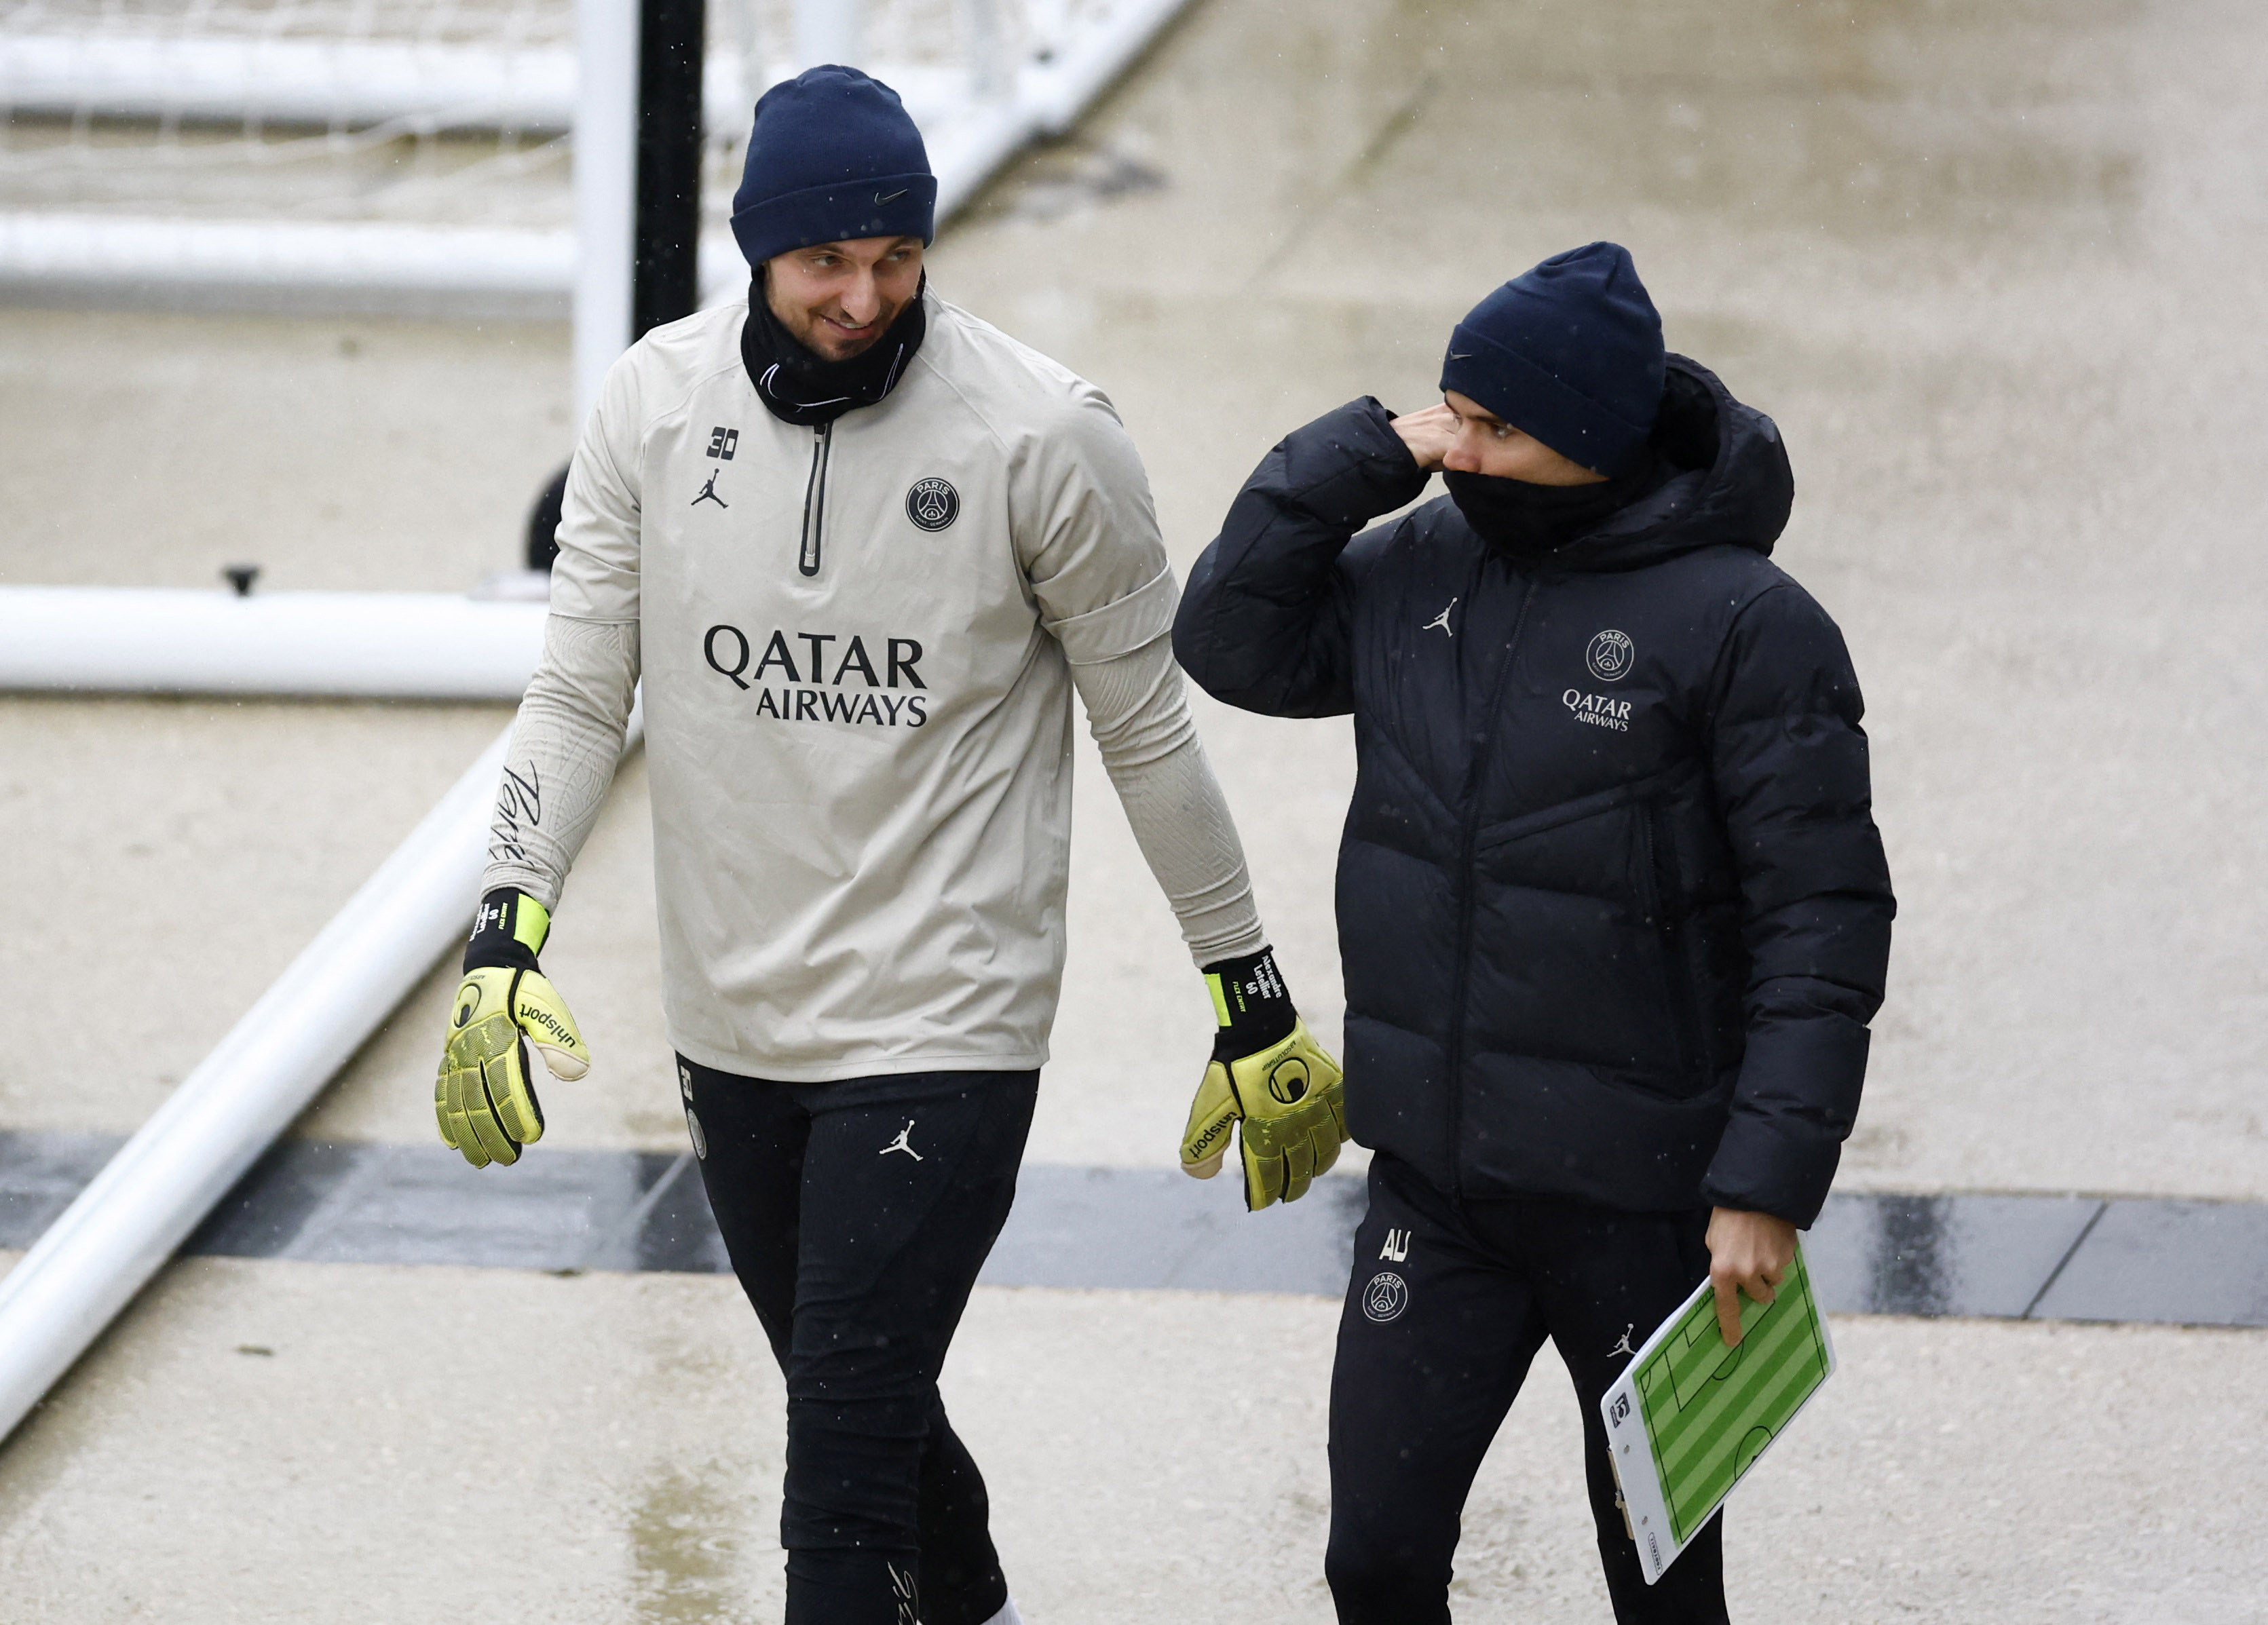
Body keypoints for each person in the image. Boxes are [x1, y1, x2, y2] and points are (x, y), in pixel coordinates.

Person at [430, 66, 1346, 1625]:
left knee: (832, 1486)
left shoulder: (1044, 435)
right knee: (859, 1390)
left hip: (947, 1010)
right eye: (826, 266)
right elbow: (581, 694)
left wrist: (1245, 991)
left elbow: (1148, 730)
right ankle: (968, 1578)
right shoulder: (653, 407)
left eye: (899, 258)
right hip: (732, 1011)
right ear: (755, 254)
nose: (866, 298)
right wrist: (503, 930)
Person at [1173, 242, 1895, 1624]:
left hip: (1647, 1205)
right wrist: (1360, 454)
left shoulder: (1747, 625)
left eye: (1495, 428)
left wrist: (1768, 1180)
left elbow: (1824, 914)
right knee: (1373, 1563)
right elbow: (1230, 638)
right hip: (1439, 1188)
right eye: (1453, 413)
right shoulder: (1418, 562)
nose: (1461, 452)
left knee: (1663, 1584)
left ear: (1593, 438)